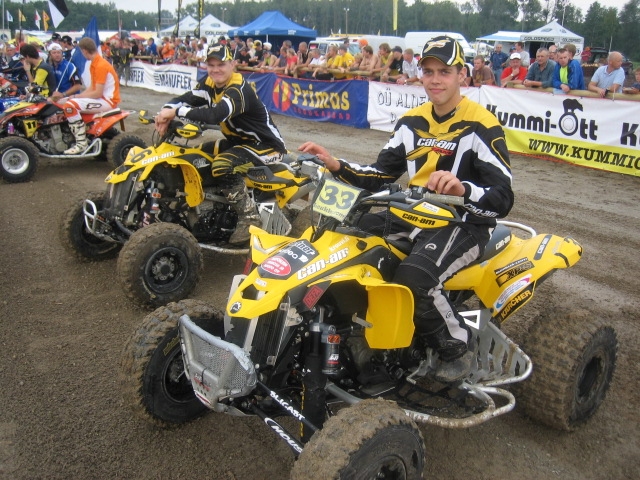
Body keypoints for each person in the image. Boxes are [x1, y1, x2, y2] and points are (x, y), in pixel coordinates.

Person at [298, 36, 513, 382]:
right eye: (428, 72)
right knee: (341, 244)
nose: (435, 80)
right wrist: (336, 164)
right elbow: (380, 174)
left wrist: (462, 189)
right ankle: (355, 331)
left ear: (462, 75)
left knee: (415, 280)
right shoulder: (411, 121)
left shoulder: (482, 125)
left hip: (462, 222)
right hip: (409, 212)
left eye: (444, 71)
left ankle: (457, 346)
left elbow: (502, 196)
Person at [154, 43, 287, 245]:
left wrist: (176, 112)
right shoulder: (210, 83)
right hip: (237, 142)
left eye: (221, 64)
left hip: (266, 145)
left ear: (232, 64)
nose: (215, 69)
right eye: (211, 65)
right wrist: (164, 112)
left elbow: (215, 115)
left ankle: (249, 217)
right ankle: (202, 208)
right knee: (194, 157)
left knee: (222, 165)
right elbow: (186, 98)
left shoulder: (239, 89)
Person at [60, 38, 121, 155]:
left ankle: (81, 143)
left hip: (107, 101)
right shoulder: (95, 63)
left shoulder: (101, 65)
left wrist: (76, 97)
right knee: (64, 102)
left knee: (69, 106)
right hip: (101, 99)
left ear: (84, 51)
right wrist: (77, 96)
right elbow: (92, 87)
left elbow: (97, 92)